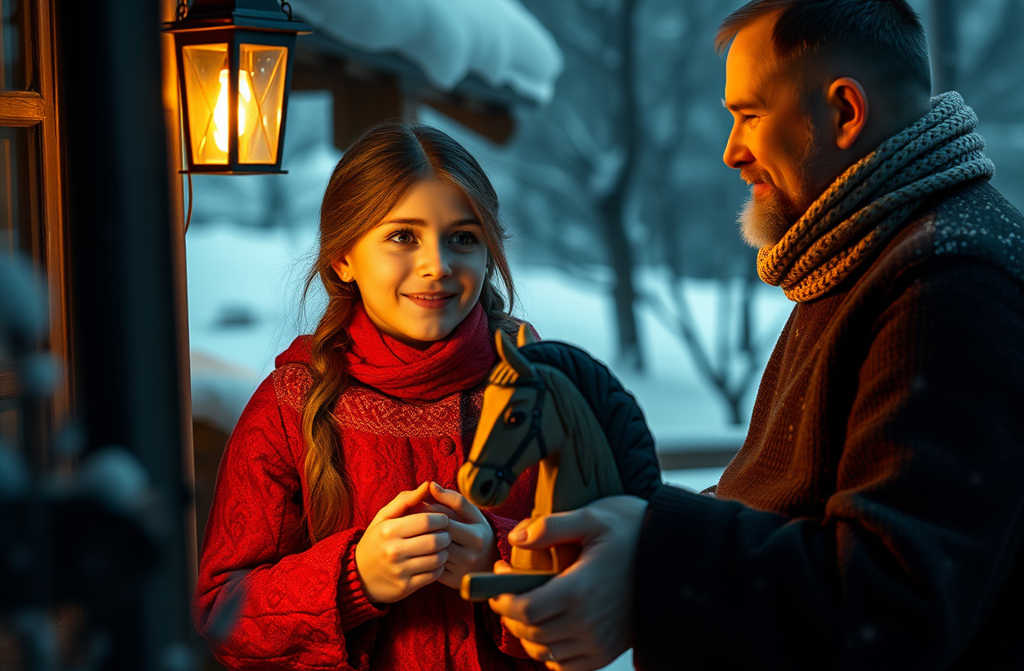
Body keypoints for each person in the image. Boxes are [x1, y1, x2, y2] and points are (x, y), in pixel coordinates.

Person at [488, 1, 1024, 669]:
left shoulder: (948, 283)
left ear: (844, 113)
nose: (730, 151)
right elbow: (789, 506)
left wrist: (651, 564)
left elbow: (893, 604)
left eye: (748, 114)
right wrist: (620, 537)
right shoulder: (866, 258)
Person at [195, 123, 550, 670]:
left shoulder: (544, 396)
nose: (437, 264)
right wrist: (354, 577)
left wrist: (498, 560)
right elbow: (221, 617)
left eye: (463, 237)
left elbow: (611, 592)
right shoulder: (290, 408)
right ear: (343, 257)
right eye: (403, 236)